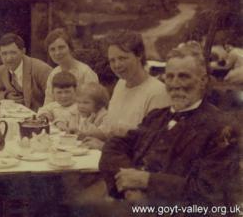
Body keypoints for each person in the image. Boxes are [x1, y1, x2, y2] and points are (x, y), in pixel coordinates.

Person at [99, 44, 239, 206]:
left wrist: (147, 181)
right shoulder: (156, 117)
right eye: (170, 76)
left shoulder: (222, 128)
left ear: (203, 81)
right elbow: (114, 146)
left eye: (184, 76)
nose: (175, 84)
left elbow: (210, 191)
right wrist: (128, 187)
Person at [83, 30, 168, 150]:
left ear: (139, 55)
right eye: (112, 60)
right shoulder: (121, 84)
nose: (117, 65)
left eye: (122, 58)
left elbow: (151, 146)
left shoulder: (157, 93)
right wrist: (84, 134)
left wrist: (105, 147)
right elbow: (110, 129)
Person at [0, 33, 52, 112]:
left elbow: (55, 99)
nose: (8, 58)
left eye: (13, 53)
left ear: (23, 51)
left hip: (38, 118)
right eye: (4, 54)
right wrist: (6, 96)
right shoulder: (1, 70)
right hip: (11, 116)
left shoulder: (41, 69)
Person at [43, 28, 98, 106]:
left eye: (61, 47)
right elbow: (48, 102)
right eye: (52, 49)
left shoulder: (85, 72)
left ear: (70, 48)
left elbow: (94, 104)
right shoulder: (53, 74)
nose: (57, 53)